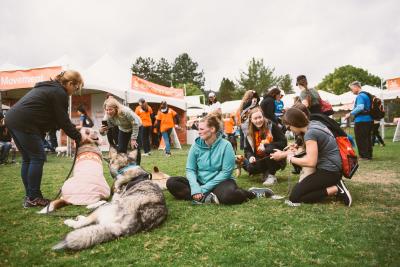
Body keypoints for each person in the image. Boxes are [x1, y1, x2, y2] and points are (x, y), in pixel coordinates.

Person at [5, 70, 85, 208]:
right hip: (24, 121)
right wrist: (79, 137)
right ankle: (34, 197)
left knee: (28, 158)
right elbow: (63, 120)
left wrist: (73, 130)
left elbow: (58, 119)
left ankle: (30, 196)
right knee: (37, 157)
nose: (75, 91)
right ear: (70, 83)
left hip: (13, 118)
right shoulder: (59, 93)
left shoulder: (49, 88)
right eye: (76, 88)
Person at [166, 113, 273, 205]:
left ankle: (252, 193)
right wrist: (194, 187)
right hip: (200, 182)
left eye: (201, 129)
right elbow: (190, 169)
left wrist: (203, 189)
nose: (198, 132)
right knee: (172, 182)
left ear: (212, 129)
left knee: (229, 196)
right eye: (198, 129)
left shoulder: (226, 145)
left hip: (220, 182)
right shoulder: (195, 145)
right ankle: (208, 197)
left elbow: (226, 173)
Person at [270, 108, 352, 206]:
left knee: (295, 197)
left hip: (329, 172)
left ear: (294, 123)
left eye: (289, 127)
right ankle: (334, 186)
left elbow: (311, 162)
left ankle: (336, 189)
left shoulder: (310, 134)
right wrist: (296, 146)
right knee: (299, 190)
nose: (290, 130)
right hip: (334, 169)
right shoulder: (313, 124)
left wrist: (290, 158)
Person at [243, 107, 287, 185]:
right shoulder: (249, 132)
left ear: (263, 116)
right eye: (255, 118)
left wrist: (267, 145)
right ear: (251, 120)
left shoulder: (271, 126)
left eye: (260, 117)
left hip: (275, 157)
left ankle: (271, 175)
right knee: (250, 168)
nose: (258, 120)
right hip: (260, 158)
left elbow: (283, 142)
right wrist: (250, 157)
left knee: (268, 149)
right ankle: (265, 171)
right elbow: (247, 150)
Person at [100, 97, 142, 164]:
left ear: (116, 108)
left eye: (110, 109)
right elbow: (106, 130)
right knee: (121, 149)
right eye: (107, 110)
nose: (108, 112)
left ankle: (137, 166)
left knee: (135, 148)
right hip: (123, 129)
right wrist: (102, 131)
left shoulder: (125, 111)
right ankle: (124, 166)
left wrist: (133, 139)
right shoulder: (108, 116)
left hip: (136, 126)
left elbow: (135, 124)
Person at [344, 81, 373, 160]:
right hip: (369, 119)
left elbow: (360, 107)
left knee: (360, 138)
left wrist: (349, 114)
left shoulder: (360, 96)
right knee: (367, 138)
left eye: (352, 88)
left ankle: (364, 156)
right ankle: (368, 155)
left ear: (356, 87)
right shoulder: (366, 95)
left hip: (361, 120)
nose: (351, 91)